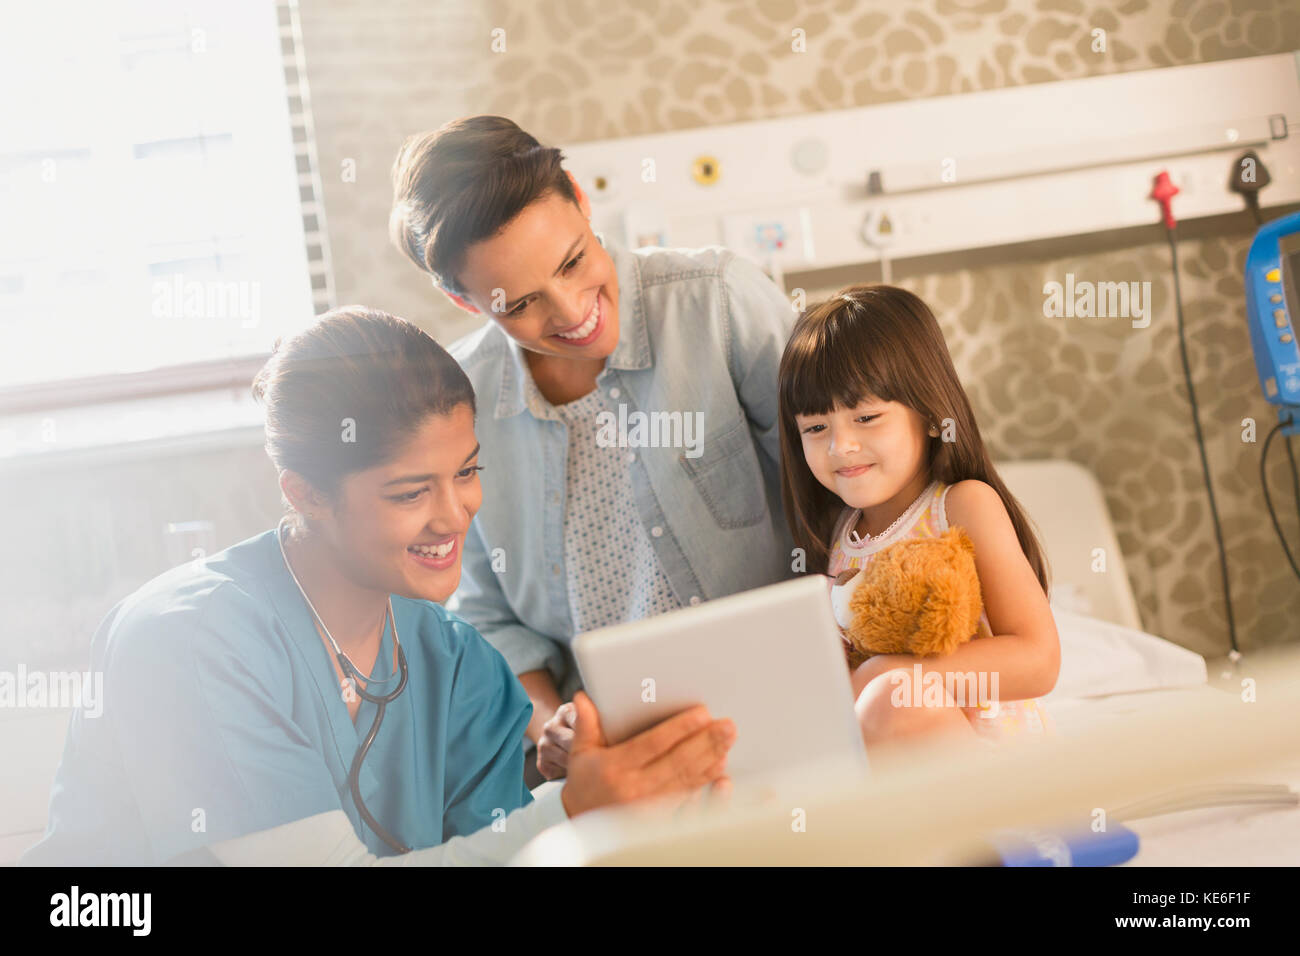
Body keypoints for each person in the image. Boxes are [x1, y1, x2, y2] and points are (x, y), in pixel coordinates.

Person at [21, 308, 734, 866]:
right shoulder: (187, 641)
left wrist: (607, 803)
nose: (454, 515)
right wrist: (573, 813)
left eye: (466, 472)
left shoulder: (462, 668)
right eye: (408, 492)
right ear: (306, 494)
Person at [389, 116, 797, 782]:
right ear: (463, 301)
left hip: (790, 700)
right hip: (623, 762)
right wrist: (556, 731)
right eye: (520, 303)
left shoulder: (719, 305)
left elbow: (848, 502)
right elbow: (486, 612)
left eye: (573, 260)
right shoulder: (458, 405)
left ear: (579, 196)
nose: (573, 311)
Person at [776, 285, 1061, 757]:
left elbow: (1039, 661)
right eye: (815, 428)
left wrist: (897, 676)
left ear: (929, 413)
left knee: (893, 702)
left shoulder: (962, 507)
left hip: (1002, 771)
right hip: (904, 788)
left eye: (866, 417)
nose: (839, 446)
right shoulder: (837, 536)